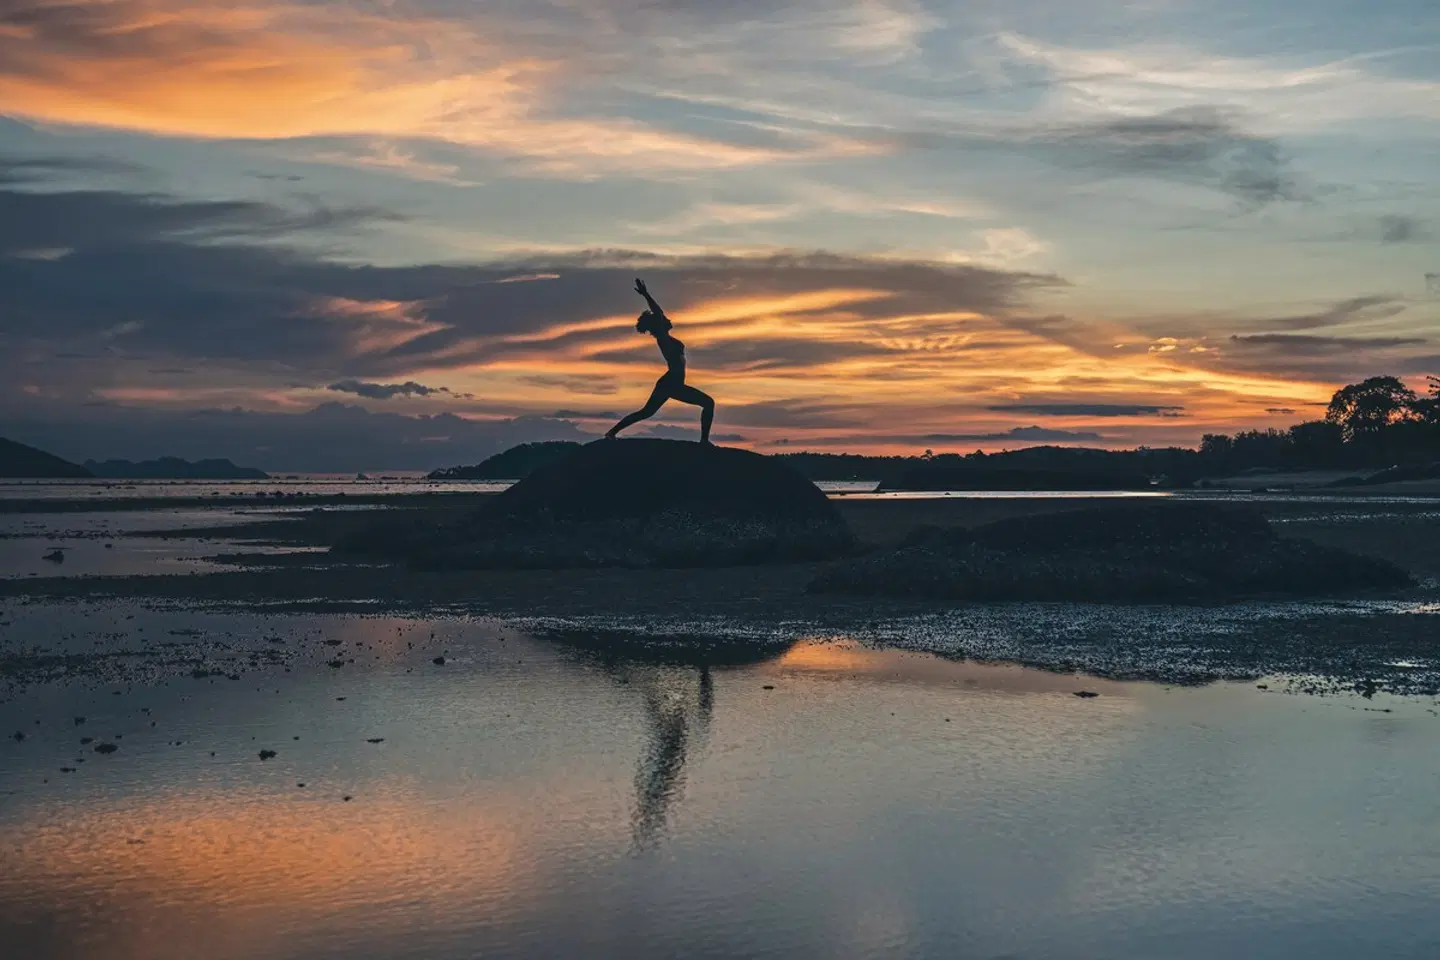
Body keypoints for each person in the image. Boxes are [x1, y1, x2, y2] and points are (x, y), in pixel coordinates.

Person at [606, 278, 715, 443]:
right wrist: (646, 295)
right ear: (659, 325)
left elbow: (660, 314)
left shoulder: (666, 338)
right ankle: (704, 442)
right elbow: (658, 313)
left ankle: (612, 432)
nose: (668, 319)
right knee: (708, 403)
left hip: (671, 383)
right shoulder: (663, 339)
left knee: (646, 412)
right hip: (671, 384)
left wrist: (647, 297)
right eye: (664, 320)